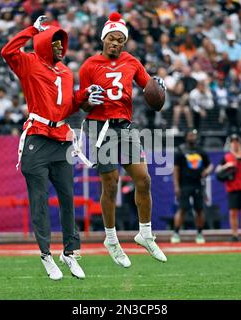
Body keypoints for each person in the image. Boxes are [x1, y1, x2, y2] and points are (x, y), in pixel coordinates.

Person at [1, 15, 102, 280]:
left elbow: (66, 107)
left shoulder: (67, 73)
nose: (60, 47)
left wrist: (83, 96)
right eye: (56, 43)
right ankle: (46, 254)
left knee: (68, 198)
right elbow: (7, 51)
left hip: (61, 138)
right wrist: (33, 30)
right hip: (37, 137)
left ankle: (69, 252)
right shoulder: (29, 62)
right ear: (44, 43)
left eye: (62, 43)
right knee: (40, 200)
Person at [76, 12, 167, 267]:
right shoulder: (89, 66)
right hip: (100, 128)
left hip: (125, 126)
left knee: (144, 179)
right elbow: (81, 103)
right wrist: (87, 100)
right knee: (111, 184)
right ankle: (111, 239)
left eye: (120, 40)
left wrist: (159, 87)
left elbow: (149, 87)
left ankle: (145, 233)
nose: (116, 43)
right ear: (104, 38)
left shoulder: (132, 62)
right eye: (112, 39)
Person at [171, 129, 213, 244]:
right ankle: (176, 233)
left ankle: (199, 233)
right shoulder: (181, 150)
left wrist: (206, 172)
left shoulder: (201, 151)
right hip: (184, 184)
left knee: (199, 209)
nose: (192, 137)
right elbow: (176, 169)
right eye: (190, 135)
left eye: (194, 135)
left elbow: (210, 165)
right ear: (186, 137)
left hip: (198, 184)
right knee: (183, 209)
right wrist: (176, 186)